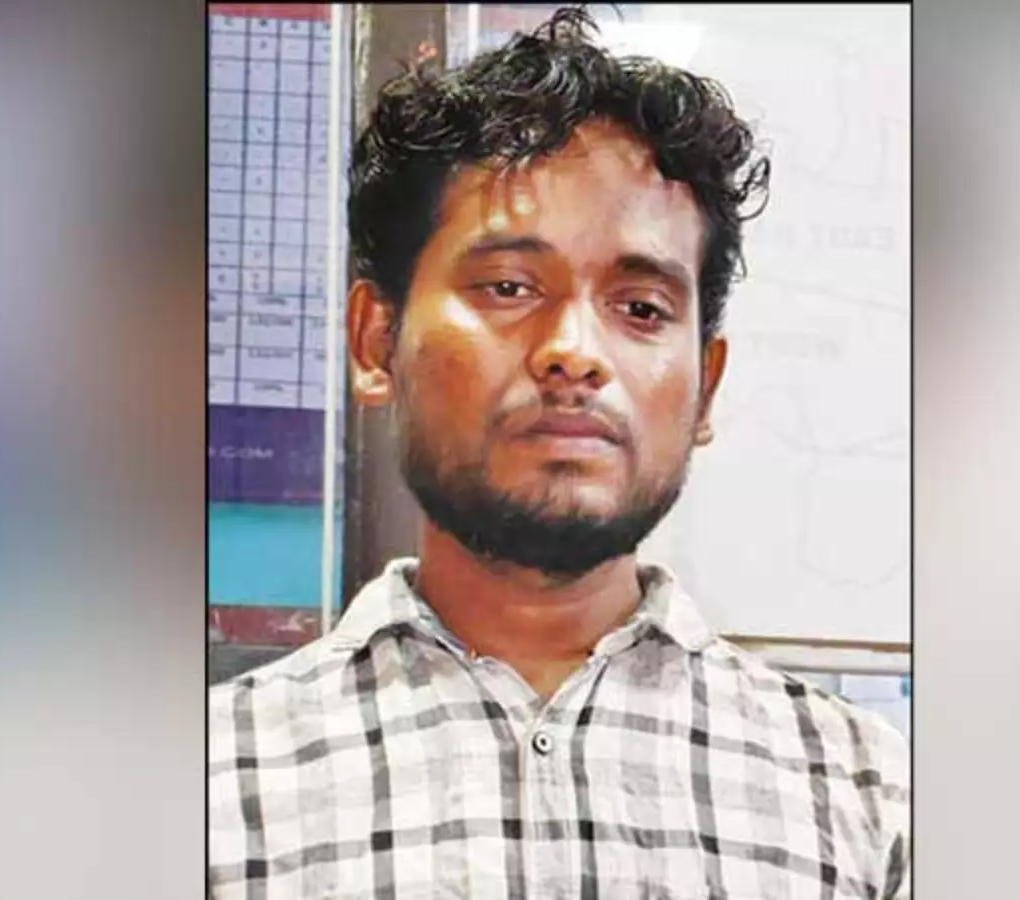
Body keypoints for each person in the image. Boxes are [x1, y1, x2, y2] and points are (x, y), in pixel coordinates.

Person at [209, 8, 909, 898]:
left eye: (642, 308)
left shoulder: (865, 801)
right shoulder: (215, 786)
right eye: (508, 287)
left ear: (706, 386)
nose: (574, 352)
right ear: (376, 341)